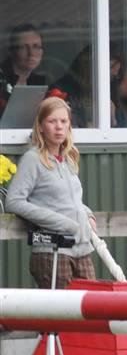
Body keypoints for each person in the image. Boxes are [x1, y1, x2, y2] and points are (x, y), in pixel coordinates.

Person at [5, 96, 96, 289]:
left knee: (90, 304)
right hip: (53, 250)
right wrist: (62, 223)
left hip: (82, 249)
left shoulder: (69, 159)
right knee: (61, 308)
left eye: (63, 121)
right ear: (40, 126)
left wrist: (87, 214)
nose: (59, 127)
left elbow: (71, 200)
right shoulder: (33, 159)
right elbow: (14, 201)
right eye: (52, 121)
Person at [0, 24, 47, 115]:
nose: (31, 53)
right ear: (11, 51)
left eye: (36, 46)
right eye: (23, 47)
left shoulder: (43, 82)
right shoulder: (2, 82)